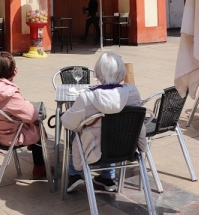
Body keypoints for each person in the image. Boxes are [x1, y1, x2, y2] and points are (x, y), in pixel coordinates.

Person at [62, 51, 146, 193]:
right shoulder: (133, 92)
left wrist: (66, 115)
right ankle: (107, 178)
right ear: (121, 72)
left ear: (98, 72)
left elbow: (68, 124)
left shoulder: (87, 97)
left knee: (75, 135)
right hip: (125, 148)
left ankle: (75, 175)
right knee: (112, 131)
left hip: (94, 149)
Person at [0, 51, 48, 179]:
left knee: (28, 118)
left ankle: (39, 163)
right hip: (8, 136)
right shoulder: (9, 94)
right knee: (38, 125)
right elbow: (32, 116)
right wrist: (11, 82)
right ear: (12, 71)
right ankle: (39, 167)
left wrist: (8, 79)